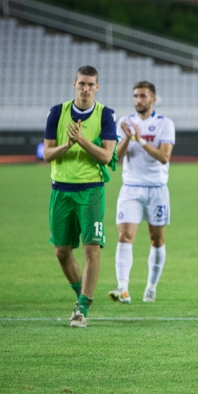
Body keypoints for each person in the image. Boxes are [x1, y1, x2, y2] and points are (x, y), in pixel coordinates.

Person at [43, 65, 117, 327]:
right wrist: (68, 144)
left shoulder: (106, 115)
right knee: (61, 252)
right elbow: (47, 154)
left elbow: (107, 156)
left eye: (90, 84)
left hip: (91, 190)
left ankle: (82, 308)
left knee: (91, 248)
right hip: (60, 189)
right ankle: (82, 294)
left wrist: (82, 141)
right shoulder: (57, 112)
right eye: (82, 83)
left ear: (97, 87)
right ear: (74, 85)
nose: (86, 88)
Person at [108, 81, 175, 304]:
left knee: (157, 239)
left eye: (143, 96)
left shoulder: (165, 124)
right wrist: (128, 137)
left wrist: (141, 140)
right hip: (131, 188)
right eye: (136, 96)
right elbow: (115, 157)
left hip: (157, 189)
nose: (139, 100)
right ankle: (123, 288)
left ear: (153, 99)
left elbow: (164, 157)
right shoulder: (124, 122)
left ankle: (151, 287)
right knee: (124, 236)